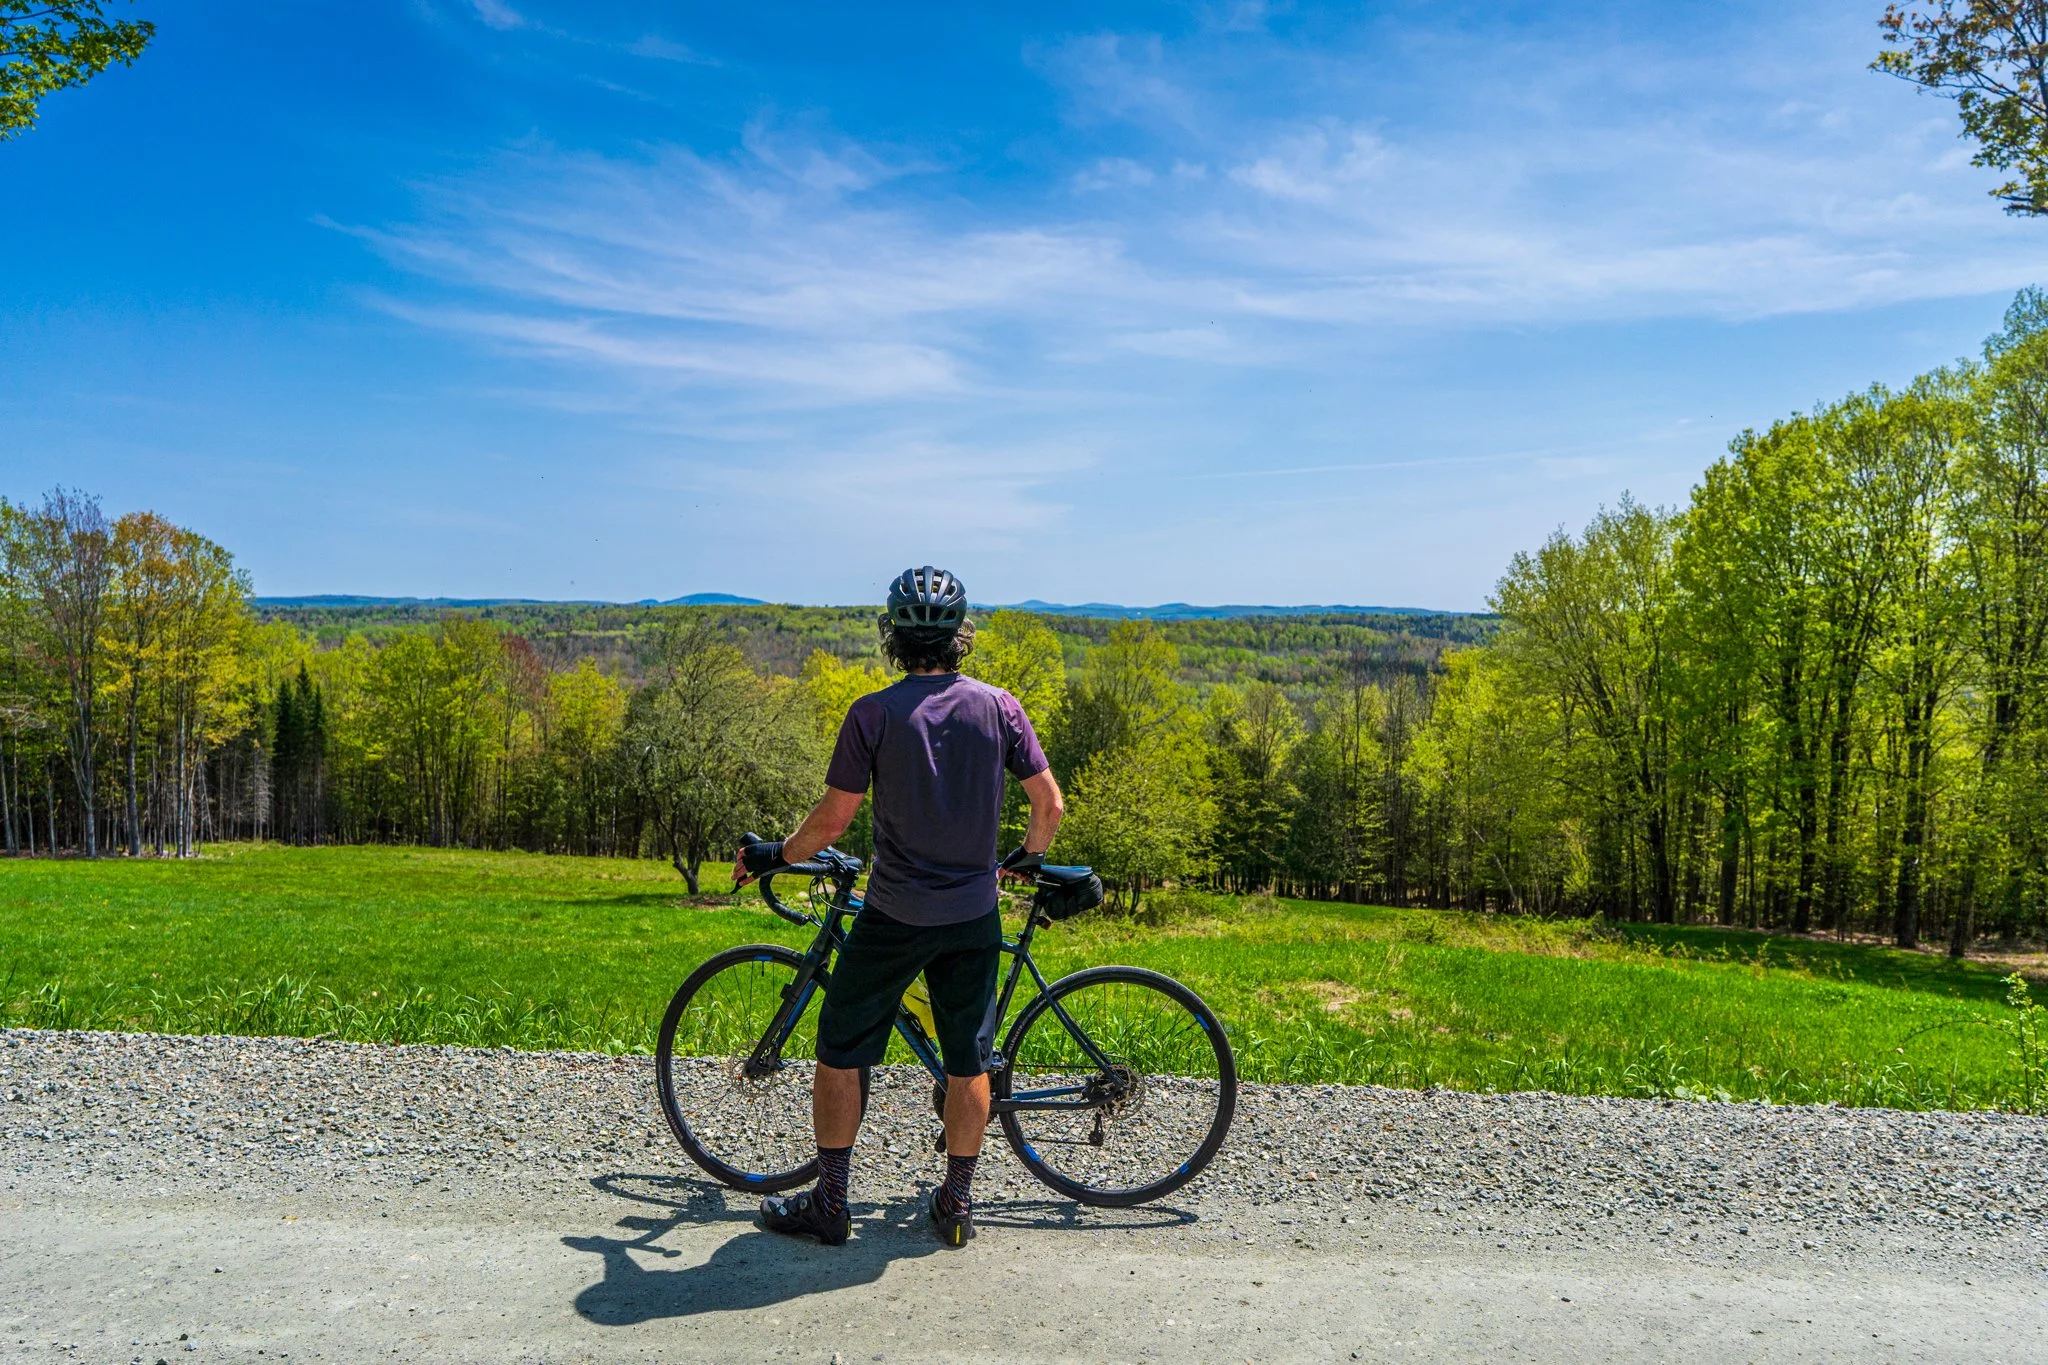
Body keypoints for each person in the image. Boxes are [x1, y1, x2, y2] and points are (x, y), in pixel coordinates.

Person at [731, 565, 1063, 1249]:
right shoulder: (1000, 706)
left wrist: (775, 853)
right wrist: (1020, 861)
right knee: (968, 1060)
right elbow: (1049, 805)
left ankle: (830, 1202)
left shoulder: (873, 713)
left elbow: (829, 824)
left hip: (895, 914)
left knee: (839, 1049)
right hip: (974, 913)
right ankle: (958, 1203)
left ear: (892, 637)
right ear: (959, 637)